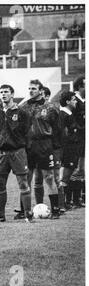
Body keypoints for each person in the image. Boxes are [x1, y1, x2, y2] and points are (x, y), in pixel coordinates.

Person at [19, 80, 61, 219]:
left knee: (49, 177)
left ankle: (55, 210)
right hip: (29, 146)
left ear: (40, 90)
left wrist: (55, 147)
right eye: (29, 88)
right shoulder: (23, 107)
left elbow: (57, 128)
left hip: (45, 145)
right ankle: (25, 211)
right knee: (26, 178)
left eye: (34, 88)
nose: (31, 91)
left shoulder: (50, 107)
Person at [0, 84, 33, 222]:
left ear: (12, 94)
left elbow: (28, 133)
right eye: (1, 92)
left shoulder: (22, 113)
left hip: (17, 152)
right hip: (1, 153)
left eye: (6, 92)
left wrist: (23, 149)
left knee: (23, 183)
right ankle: (0, 215)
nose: (3, 94)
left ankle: (28, 214)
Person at [58, 91, 79, 210]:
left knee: (68, 176)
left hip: (71, 149)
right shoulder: (63, 115)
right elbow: (64, 135)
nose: (75, 101)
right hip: (67, 150)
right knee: (64, 177)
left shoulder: (69, 114)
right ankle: (61, 205)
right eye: (73, 99)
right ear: (67, 102)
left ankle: (65, 202)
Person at [69, 76, 85, 208]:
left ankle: (80, 198)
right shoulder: (74, 101)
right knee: (77, 169)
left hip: (84, 139)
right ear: (79, 86)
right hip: (77, 140)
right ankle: (73, 200)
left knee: (82, 169)